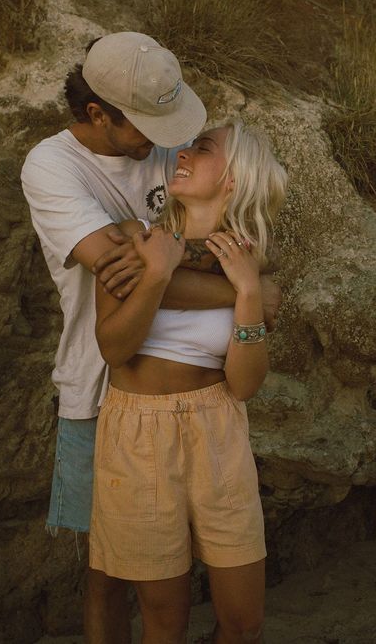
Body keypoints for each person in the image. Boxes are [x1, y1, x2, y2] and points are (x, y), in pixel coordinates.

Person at [21, 31, 282, 644]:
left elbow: (224, 231)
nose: (170, 144)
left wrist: (194, 268)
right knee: (109, 576)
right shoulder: (53, 166)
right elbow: (123, 265)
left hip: (208, 416)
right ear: (97, 115)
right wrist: (245, 289)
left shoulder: (168, 148)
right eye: (147, 127)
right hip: (102, 392)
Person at [89, 119, 288, 643]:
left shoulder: (252, 265)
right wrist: (156, 272)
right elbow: (113, 348)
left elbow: (244, 385)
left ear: (234, 178)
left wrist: (247, 292)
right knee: (164, 620)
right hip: (138, 434)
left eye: (201, 149)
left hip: (219, 427)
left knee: (244, 623)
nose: (182, 155)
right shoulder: (136, 237)